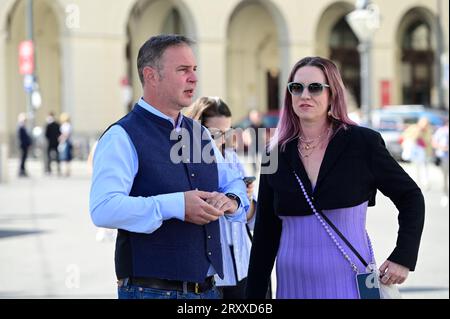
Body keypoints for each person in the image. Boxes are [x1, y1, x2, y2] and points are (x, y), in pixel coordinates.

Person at [246, 56, 425, 299]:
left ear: (333, 94)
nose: (304, 95)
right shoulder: (275, 153)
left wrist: (403, 256)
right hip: (292, 287)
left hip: (349, 284)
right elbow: (265, 233)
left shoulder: (362, 143)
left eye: (315, 87)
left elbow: (410, 196)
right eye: (296, 88)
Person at [89, 34, 249, 299]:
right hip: (150, 291)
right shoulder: (121, 136)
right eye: (183, 70)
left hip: (209, 290)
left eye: (194, 69)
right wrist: (176, 205)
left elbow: (232, 180)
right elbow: (103, 209)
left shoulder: (200, 133)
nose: (194, 78)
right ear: (151, 76)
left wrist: (231, 199)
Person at [186, 96, 258, 299]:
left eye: (227, 132)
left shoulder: (233, 158)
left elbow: (250, 216)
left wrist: (247, 198)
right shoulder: (189, 160)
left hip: (242, 264)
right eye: (215, 133)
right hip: (212, 269)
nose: (221, 139)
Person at [400, 117, 433, 189]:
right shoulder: (414, 128)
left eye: (427, 124)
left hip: (425, 153)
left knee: (425, 168)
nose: (425, 125)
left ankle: (425, 183)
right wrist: (418, 133)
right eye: (424, 124)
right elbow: (405, 136)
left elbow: (428, 142)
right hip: (415, 153)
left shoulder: (428, 131)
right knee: (415, 168)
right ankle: (414, 183)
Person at [432, 119, 449, 206]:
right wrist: (442, 147)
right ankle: (445, 195)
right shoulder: (441, 131)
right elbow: (434, 143)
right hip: (443, 157)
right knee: (444, 177)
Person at [17, 113, 32, 177]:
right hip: (23, 145)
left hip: (25, 145)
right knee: (23, 158)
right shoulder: (21, 127)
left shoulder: (23, 127)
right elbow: (23, 138)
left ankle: (23, 169)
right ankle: (21, 170)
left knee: (24, 158)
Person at [58, 113, 73, 177]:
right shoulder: (69, 125)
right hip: (68, 141)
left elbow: (66, 134)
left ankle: (66, 171)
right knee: (68, 157)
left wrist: (61, 138)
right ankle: (67, 170)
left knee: (65, 157)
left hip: (65, 141)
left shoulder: (65, 125)